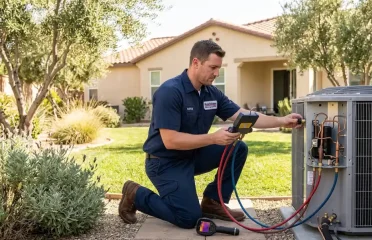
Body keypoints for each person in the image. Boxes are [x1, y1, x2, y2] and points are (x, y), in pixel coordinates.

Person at [118, 40, 303, 229]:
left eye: (219, 68)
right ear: (196, 63)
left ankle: (212, 202)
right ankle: (135, 194)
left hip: (192, 155)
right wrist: (213, 138)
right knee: (188, 218)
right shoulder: (170, 92)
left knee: (237, 148)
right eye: (212, 67)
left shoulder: (211, 93)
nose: (216, 73)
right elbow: (171, 140)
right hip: (165, 162)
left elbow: (243, 115)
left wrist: (282, 120)